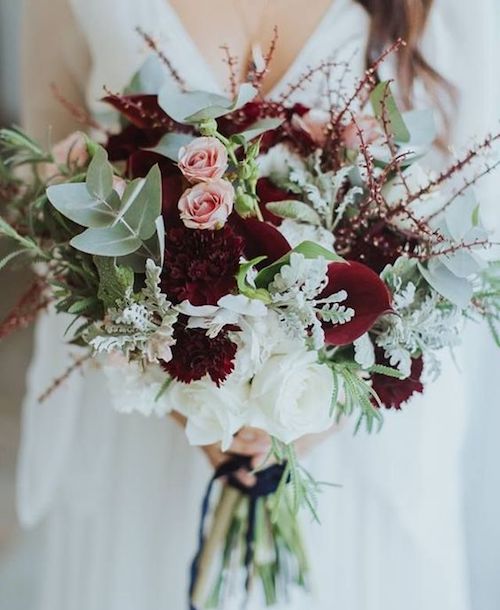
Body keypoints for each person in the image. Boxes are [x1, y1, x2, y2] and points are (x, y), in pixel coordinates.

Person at [18, 0, 499, 609]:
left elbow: (478, 215)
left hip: (355, 446)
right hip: (140, 430)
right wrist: (177, 387)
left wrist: (321, 396)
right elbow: (42, 189)